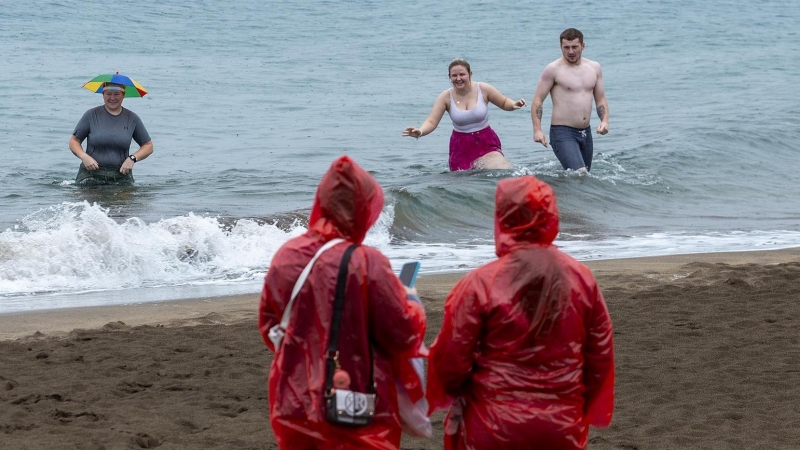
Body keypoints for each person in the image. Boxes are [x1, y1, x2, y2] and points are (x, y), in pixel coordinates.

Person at [426, 175, 615, 450]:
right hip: (561, 425)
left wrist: (447, 392)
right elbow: (600, 354)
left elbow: (451, 358)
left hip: (492, 424)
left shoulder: (480, 283)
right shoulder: (581, 279)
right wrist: (582, 406)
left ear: (502, 218)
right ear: (551, 215)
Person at [258, 155, 427, 450]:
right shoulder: (368, 263)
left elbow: (270, 327)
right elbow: (403, 333)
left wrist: (308, 354)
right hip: (355, 399)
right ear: (363, 209)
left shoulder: (288, 255)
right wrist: (411, 301)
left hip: (294, 399)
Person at [403, 59, 526, 171]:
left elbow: (504, 102)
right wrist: (420, 131)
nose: (458, 78)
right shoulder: (445, 97)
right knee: (464, 184)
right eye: (454, 75)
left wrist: (514, 104)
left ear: (470, 74)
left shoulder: (483, 89)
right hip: (460, 146)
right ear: (449, 77)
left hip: (485, 141)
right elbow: (431, 121)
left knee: (502, 169)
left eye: (462, 74)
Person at [531, 28, 609, 172]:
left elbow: (601, 99)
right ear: (561, 47)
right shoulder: (553, 69)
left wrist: (604, 121)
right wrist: (537, 130)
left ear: (583, 46)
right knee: (580, 173)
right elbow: (537, 100)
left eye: (574, 47)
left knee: (583, 178)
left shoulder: (594, 68)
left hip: (586, 132)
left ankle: (561, 192)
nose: (571, 51)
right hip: (562, 132)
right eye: (566, 47)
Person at [69, 82, 153, 185]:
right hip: (90, 176)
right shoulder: (91, 115)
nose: (112, 98)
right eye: (108, 94)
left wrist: (132, 159)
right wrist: (84, 157)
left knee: (125, 201)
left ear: (123, 95)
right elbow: (74, 141)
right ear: (103, 95)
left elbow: (148, 146)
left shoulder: (132, 118)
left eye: (117, 94)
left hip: (121, 176)